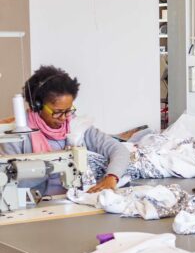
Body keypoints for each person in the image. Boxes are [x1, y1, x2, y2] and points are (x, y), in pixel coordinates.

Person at [0, 66, 130, 194]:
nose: (64, 118)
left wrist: (112, 177)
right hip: (36, 205)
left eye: (68, 110)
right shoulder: (17, 135)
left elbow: (118, 150)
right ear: (37, 105)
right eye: (57, 112)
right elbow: (11, 179)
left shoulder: (76, 126)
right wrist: (51, 168)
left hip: (75, 201)